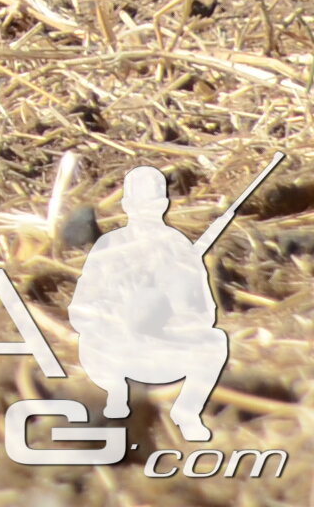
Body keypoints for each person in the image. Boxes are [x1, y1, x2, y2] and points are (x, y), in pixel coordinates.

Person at [68, 166, 230, 440]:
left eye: (154, 201)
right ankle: (117, 401)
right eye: (139, 202)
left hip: (163, 343)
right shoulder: (109, 245)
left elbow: (205, 312)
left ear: (164, 203)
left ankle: (187, 412)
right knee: (94, 344)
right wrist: (115, 316)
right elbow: (80, 309)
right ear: (127, 204)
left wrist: (177, 306)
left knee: (215, 342)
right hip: (114, 346)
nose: (147, 209)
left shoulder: (179, 246)